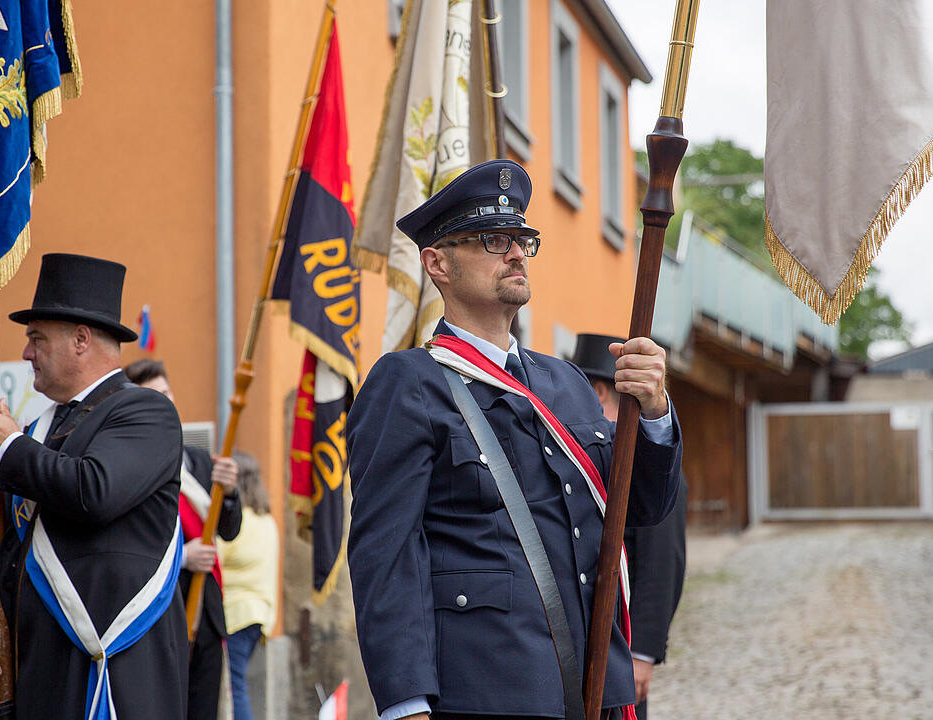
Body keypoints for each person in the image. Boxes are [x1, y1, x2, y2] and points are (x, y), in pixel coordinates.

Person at [347, 159, 683, 720]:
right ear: (437, 264)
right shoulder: (407, 383)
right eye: (492, 239)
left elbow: (641, 508)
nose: (516, 253)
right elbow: (387, 552)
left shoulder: (567, 383)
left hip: (593, 684)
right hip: (485, 689)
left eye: (523, 239)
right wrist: (406, 703)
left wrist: (654, 412)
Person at [0, 253, 187, 718]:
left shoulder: (146, 412)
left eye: (36, 339)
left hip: (119, 671)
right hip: (39, 672)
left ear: (81, 340)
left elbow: (94, 492)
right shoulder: (34, 433)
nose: (27, 353)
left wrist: (7, 448)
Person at [572, 333, 688, 720]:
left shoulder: (647, 464)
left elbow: (660, 563)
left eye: (584, 390)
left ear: (602, 392)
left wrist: (643, 653)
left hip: (625, 643)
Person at [123, 358, 242, 720]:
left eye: (167, 393)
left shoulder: (199, 461)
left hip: (207, 612)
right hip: (163, 611)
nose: (166, 402)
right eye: (155, 395)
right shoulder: (131, 468)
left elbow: (229, 529)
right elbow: (131, 541)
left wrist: (232, 493)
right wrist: (182, 556)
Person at [217, 451, 279, 720]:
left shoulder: (240, 521)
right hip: (259, 616)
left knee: (233, 689)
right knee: (237, 685)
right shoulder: (267, 521)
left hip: (235, 614)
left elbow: (214, 560)